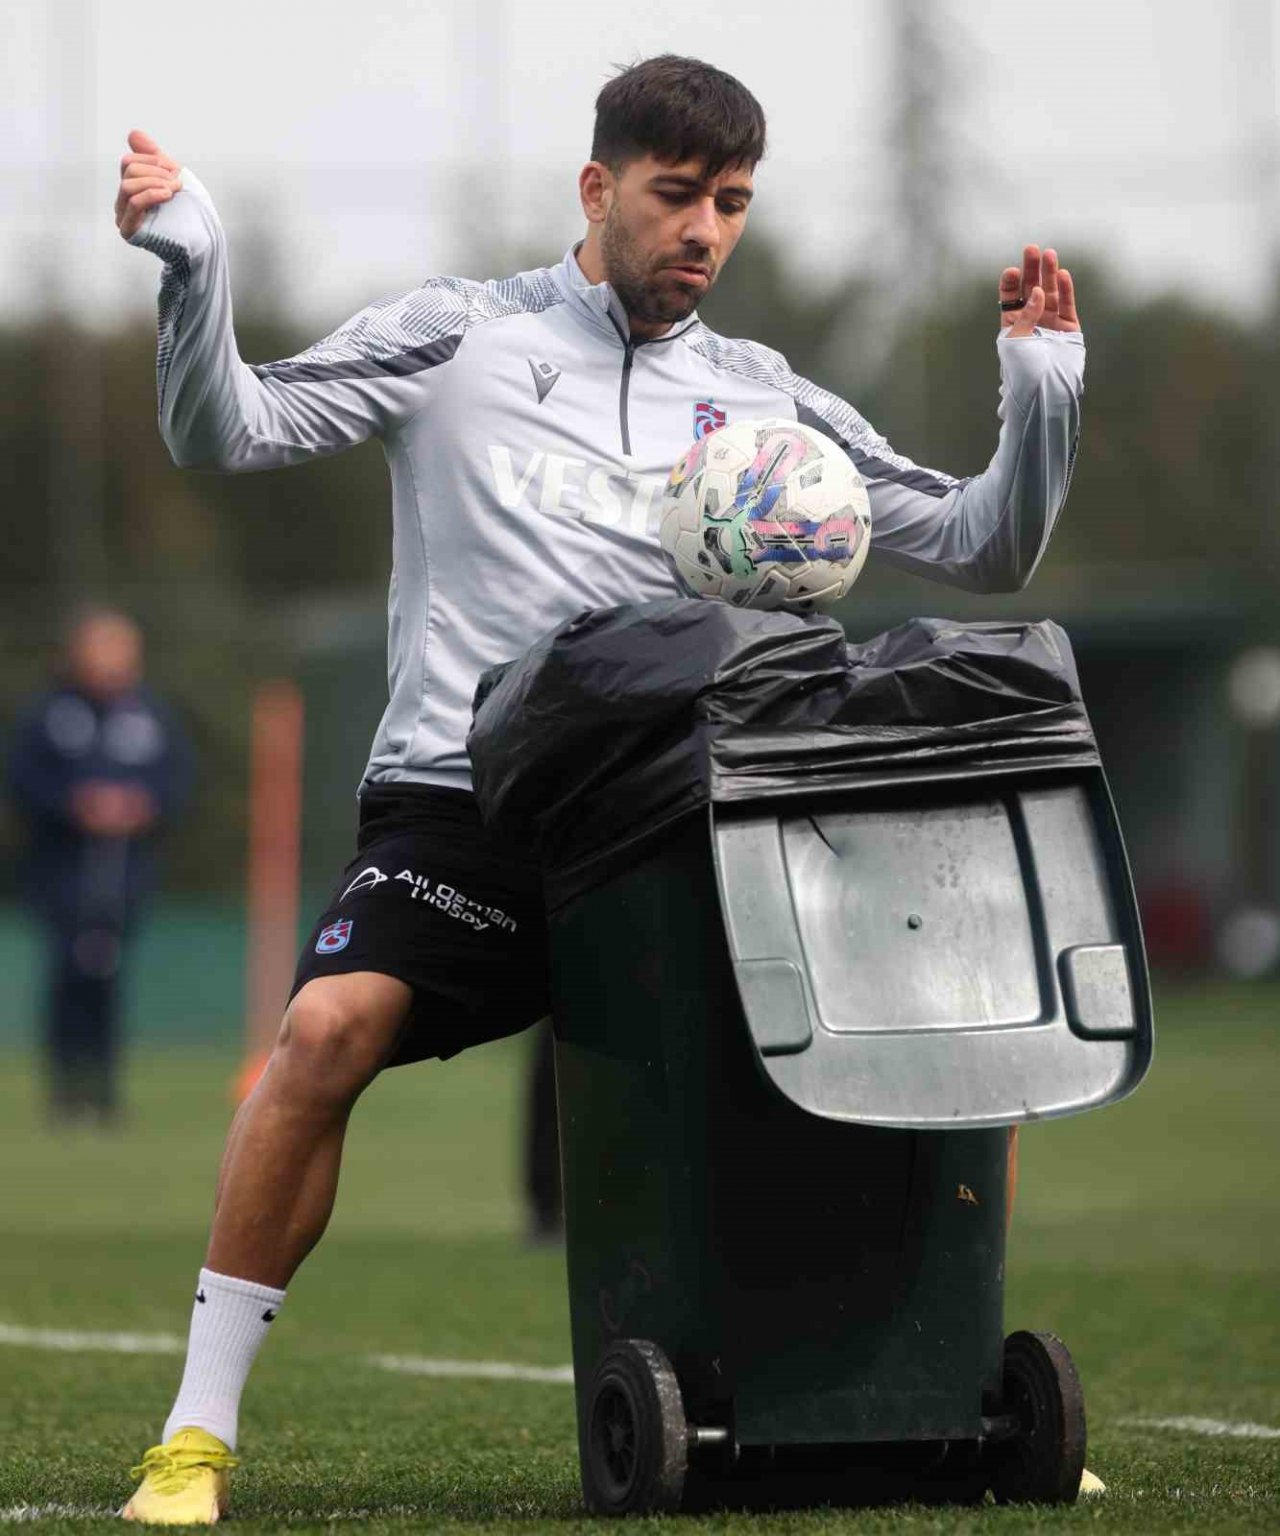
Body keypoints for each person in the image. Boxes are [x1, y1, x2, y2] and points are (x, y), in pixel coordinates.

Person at [113, 55, 1085, 1523]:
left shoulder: (763, 403)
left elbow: (980, 545)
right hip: (469, 805)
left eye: (733, 204)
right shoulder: (459, 339)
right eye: (678, 195)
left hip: (694, 812)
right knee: (325, 1031)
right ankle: (194, 1436)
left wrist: (1044, 396)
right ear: (600, 188)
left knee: (932, 1034)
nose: (705, 229)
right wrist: (198, 267)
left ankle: (941, 1392)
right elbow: (224, 429)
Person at [7, 607, 190, 1127]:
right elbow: (24, 782)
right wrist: (75, 804)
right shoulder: (50, 715)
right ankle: (65, 1091)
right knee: (67, 976)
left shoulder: (149, 716)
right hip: (61, 876)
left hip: (124, 878)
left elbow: (175, 782)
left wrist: (141, 806)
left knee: (107, 979)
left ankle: (104, 1092)